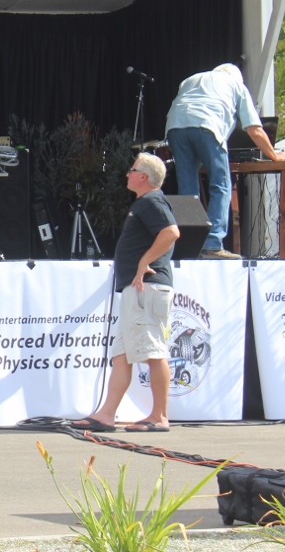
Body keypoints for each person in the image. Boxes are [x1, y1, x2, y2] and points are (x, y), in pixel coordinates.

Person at [71, 152, 179, 434]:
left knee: (153, 351)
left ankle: (159, 416)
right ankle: (107, 414)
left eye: (132, 170)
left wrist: (144, 262)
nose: (127, 174)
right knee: (121, 354)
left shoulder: (152, 200)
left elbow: (171, 232)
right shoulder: (144, 203)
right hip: (136, 290)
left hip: (147, 288)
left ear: (143, 176)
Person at [165, 63, 285, 258]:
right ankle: (212, 244)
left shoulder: (190, 80)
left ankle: (190, 246)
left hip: (175, 128)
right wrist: (274, 156)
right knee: (221, 186)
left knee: (187, 191)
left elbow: (182, 111)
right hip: (207, 126)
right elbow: (254, 129)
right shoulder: (236, 85)